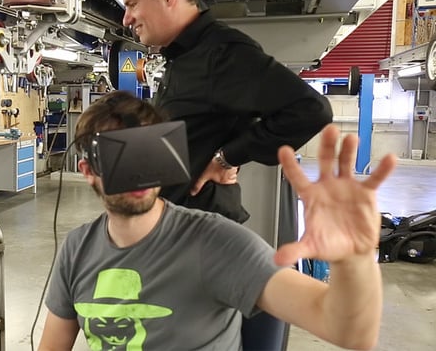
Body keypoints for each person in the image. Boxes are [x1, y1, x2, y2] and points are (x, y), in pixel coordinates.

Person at [38, 91, 396, 350]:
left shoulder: (216, 242)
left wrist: (354, 260)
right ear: (88, 171)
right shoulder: (77, 248)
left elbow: (350, 331)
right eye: (119, 159)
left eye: (146, 154)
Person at [114, 0, 333, 223]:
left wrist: (227, 157)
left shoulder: (223, 53)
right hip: (170, 221)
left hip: (200, 230)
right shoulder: (180, 56)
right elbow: (193, 132)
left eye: (132, 4)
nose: (126, 18)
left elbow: (311, 109)